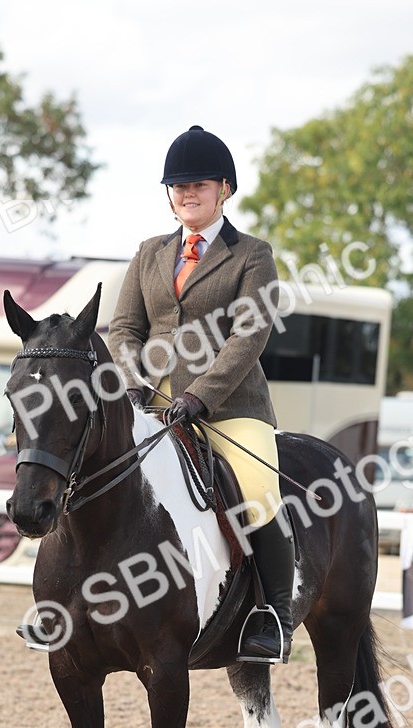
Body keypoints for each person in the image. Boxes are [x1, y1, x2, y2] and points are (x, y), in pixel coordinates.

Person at [107, 125, 294, 663]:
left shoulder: (252, 255)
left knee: (257, 489)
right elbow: (123, 330)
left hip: (231, 408)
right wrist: (135, 380)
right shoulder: (149, 254)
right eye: (178, 186)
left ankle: (273, 616)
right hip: (152, 404)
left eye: (199, 185)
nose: (187, 194)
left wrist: (203, 397)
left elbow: (249, 335)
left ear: (225, 190)